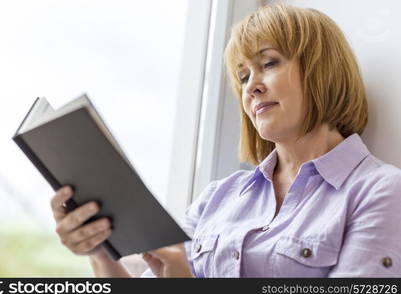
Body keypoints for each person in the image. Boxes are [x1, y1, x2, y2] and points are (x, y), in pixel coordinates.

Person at [50, 3, 401, 277]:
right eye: (243, 75)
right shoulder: (217, 199)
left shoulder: (379, 191)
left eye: (269, 63)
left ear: (320, 70)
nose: (251, 86)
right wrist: (97, 248)